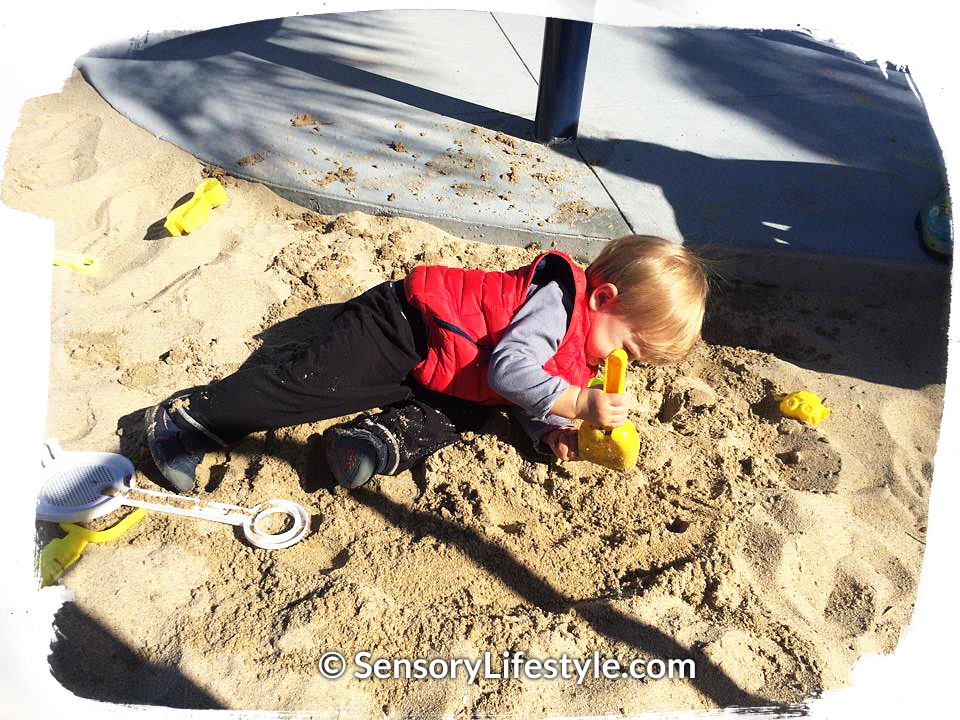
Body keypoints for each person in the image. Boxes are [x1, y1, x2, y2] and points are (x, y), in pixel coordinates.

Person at [145, 235, 708, 492]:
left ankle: (368, 445)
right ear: (602, 299)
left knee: (462, 415)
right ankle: (189, 420)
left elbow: (522, 393)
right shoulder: (559, 305)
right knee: (310, 388)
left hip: (449, 368)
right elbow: (511, 372)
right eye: (629, 349)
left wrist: (549, 428)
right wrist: (579, 403)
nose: (621, 364)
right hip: (402, 327)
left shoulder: (587, 345)